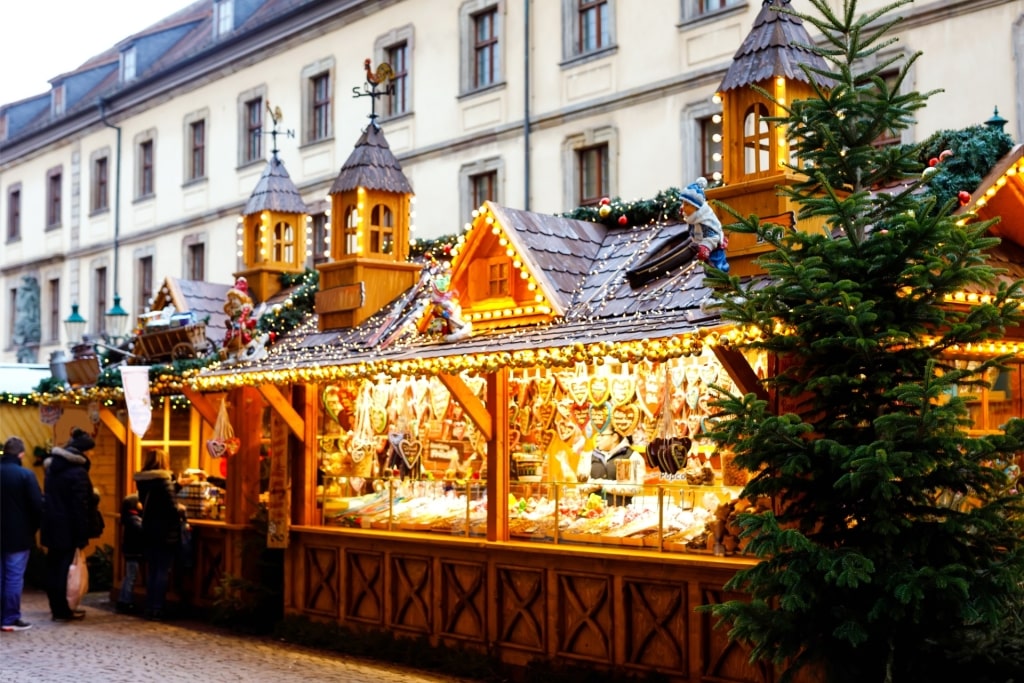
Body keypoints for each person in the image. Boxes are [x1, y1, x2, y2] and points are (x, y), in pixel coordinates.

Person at [40, 427, 96, 622]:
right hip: (68, 529)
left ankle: (57, 607)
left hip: (52, 525)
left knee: (54, 568)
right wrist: (82, 535)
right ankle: (63, 610)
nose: (93, 454)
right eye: (90, 450)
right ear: (83, 451)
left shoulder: (53, 468)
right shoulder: (78, 472)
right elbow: (79, 506)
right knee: (64, 570)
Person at [1, 436, 44, 632]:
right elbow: (37, 506)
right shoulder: (25, 475)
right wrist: (33, 528)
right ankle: (9, 618)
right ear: (21, 453)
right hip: (19, 535)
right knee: (14, 577)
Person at [134, 449, 181, 620]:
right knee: (162, 570)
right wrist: (181, 511)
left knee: (153, 569)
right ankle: (158, 607)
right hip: (165, 531)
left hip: (149, 530)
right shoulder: (163, 481)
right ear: (164, 461)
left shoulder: (144, 481)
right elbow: (172, 508)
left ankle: (149, 606)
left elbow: (154, 500)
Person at [678, 177, 729, 272]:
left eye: (687, 204)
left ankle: (722, 279)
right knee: (708, 270)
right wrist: (683, 209)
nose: (683, 207)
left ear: (696, 207)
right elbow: (685, 211)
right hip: (702, 249)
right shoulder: (692, 215)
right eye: (683, 203)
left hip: (714, 250)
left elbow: (713, 237)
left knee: (717, 267)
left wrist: (705, 247)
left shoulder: (704, 221)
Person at [116, 493, 144, 614]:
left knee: (128, 576)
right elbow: (142, 530)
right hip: (134, 551)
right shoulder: (134, 519)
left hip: (129, 550)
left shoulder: (128, 517)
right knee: (131, 577)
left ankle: (122, 600)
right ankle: (126, 602)